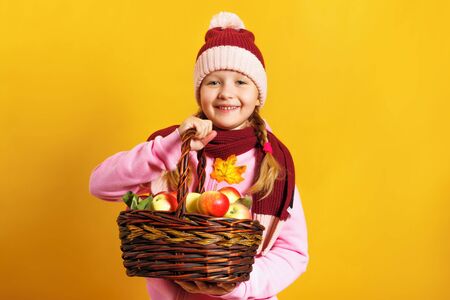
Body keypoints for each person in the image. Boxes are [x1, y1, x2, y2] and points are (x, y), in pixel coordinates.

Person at [89, 11, 309, 300]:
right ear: (199, 92)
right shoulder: (173, 148)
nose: (226, 93)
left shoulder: (273, 163)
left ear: (258, 96)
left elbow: (293, 252)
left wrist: (240, 285)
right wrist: (168, 147)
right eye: (213, 82)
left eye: (241, 82)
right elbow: (100, 185)